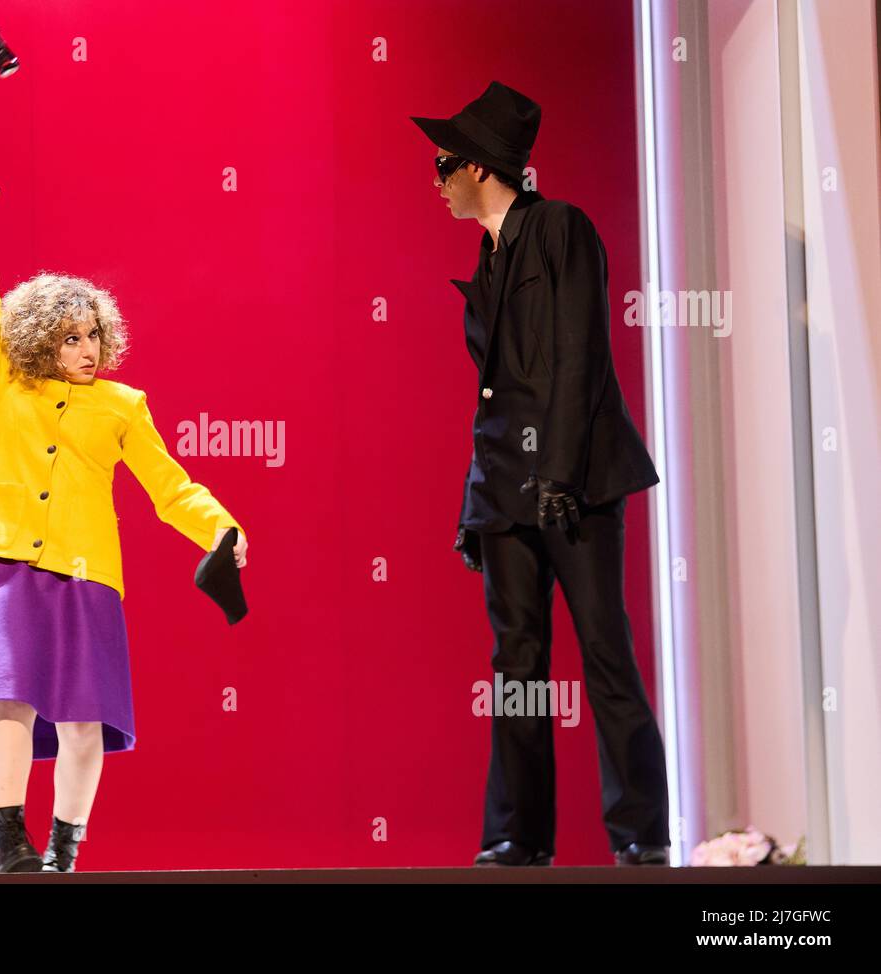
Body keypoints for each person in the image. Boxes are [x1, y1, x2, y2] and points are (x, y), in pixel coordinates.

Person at [0, 180, 248, 873]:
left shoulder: (123, 406)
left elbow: (170, 487)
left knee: (85, 721)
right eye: (69, 337)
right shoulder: (11, 383)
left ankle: (64, 848)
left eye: (93, 336)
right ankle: (8, 842)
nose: (86, 349)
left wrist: (220, 528)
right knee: (9, 698)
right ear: (37, 342)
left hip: (88, 573)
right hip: (12, 564)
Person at [410, 82, 670, 866]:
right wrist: (475, 508)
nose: (436, 182)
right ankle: (520, 836)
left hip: (577, 483)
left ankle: (642, 835)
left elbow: (579, 356)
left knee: (604, 652)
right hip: (505, 497)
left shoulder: (560, 228)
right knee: (516, 665)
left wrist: (557, 473)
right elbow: (493, 401)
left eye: (442, 165)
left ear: (480, 168)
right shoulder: (484, 266)